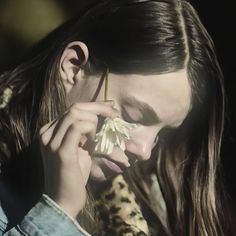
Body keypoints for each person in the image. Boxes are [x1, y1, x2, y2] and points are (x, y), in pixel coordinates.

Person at [0, 0, 229, 235]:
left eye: (162, 133)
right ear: (74, 67)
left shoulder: (149, 202)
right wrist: (59, 210)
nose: (144, 151)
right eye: (134, 115)